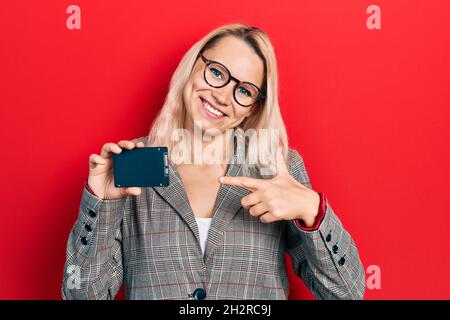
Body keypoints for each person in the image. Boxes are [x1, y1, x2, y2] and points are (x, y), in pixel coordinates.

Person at [62, 23, 365, 300]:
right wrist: (101, 205)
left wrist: (312, 209)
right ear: (193, 68)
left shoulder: (274, 168)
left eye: (243, 91)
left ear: (252, 109)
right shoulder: (134, 165)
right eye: (217, 73)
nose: (223, 96)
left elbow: (347, 293)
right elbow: (81, 295)